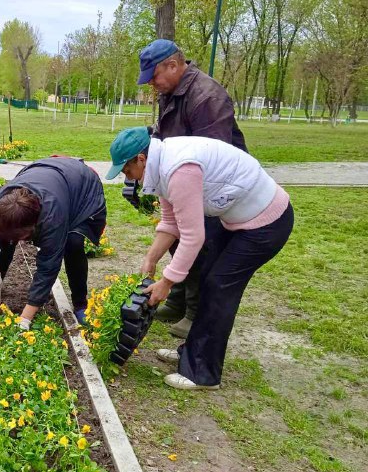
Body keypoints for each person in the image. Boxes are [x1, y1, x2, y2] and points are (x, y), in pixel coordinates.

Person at [106, 127, 293, 390]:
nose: (131, 179)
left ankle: (203, 374)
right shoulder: (162, 167)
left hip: (265, 224)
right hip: (238, 222)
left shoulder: (180, 170)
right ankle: (191, 352)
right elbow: (171, 222)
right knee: (206, 277)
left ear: (141, 159)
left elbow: (193, 236)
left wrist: (166, 283)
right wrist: (151, 259)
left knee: (219, 286)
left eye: (127, 172)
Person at [137, 39, 247, 339]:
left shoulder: (206, 96)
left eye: (154, 77)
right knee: (176, 236)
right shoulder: (171, 92)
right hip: (182, 175)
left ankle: (195, 314)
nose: (152, 85)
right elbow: (161, 136)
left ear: (173, 66)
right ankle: (177, 301)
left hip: (212, 186)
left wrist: (183, 188)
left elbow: (214, 154)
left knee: (202, 244)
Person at [0, 158, 106, 330]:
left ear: (35, 226)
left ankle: (80, 304)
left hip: (82, 188)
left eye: (23, 237)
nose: (20, 242)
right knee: (6, 238)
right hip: (46, 174)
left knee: (73, 243)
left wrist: (25, 318)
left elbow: (48, 269)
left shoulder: (52, 217)